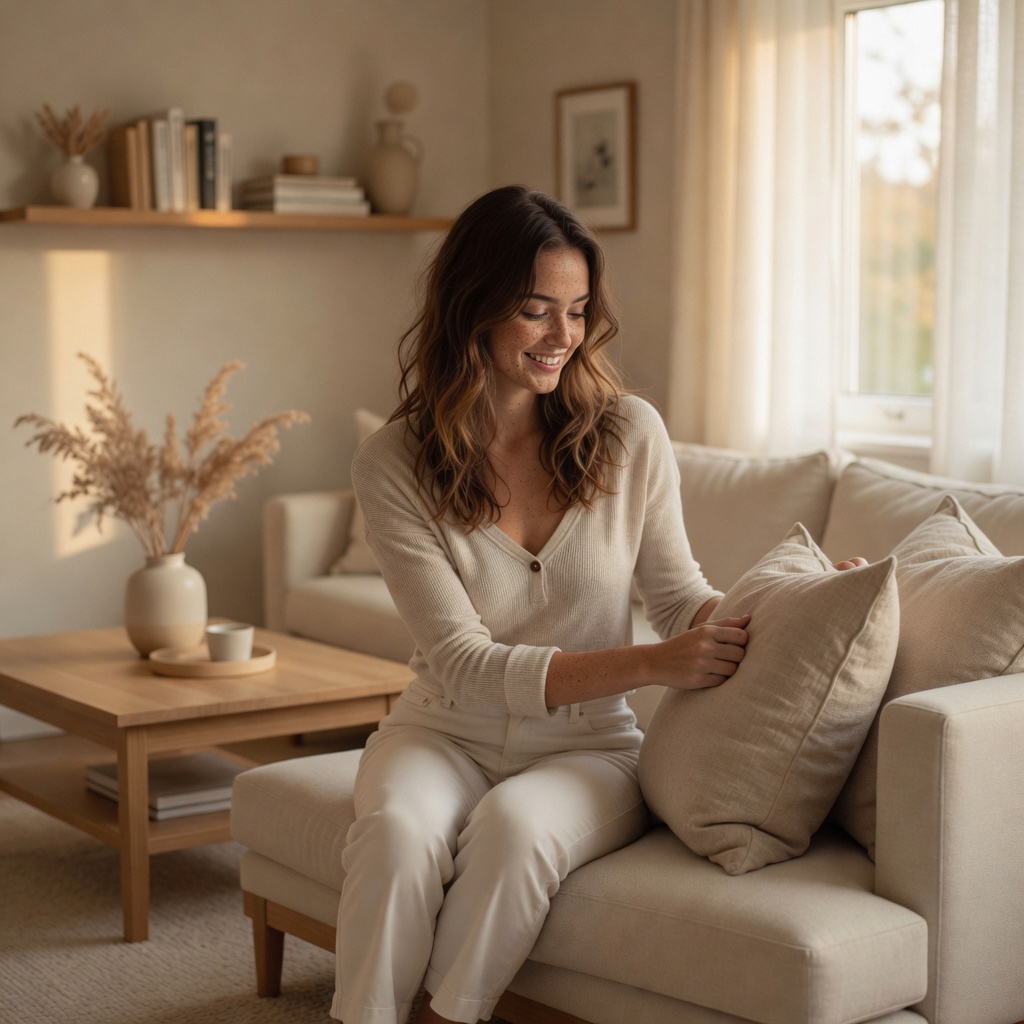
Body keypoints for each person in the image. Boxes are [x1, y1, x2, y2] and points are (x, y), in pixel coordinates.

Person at [331, 184, 753, 1024]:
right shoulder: (393, 462)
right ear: (473, 308)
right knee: (396, 834)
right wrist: (649, 664)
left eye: (579, 310)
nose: (564, 335)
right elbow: (461, 663)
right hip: (443, 730)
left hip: (590, 747)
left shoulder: (630, 434)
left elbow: (680, 600)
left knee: (516, 830)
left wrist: (794, 598)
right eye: (535, 310)